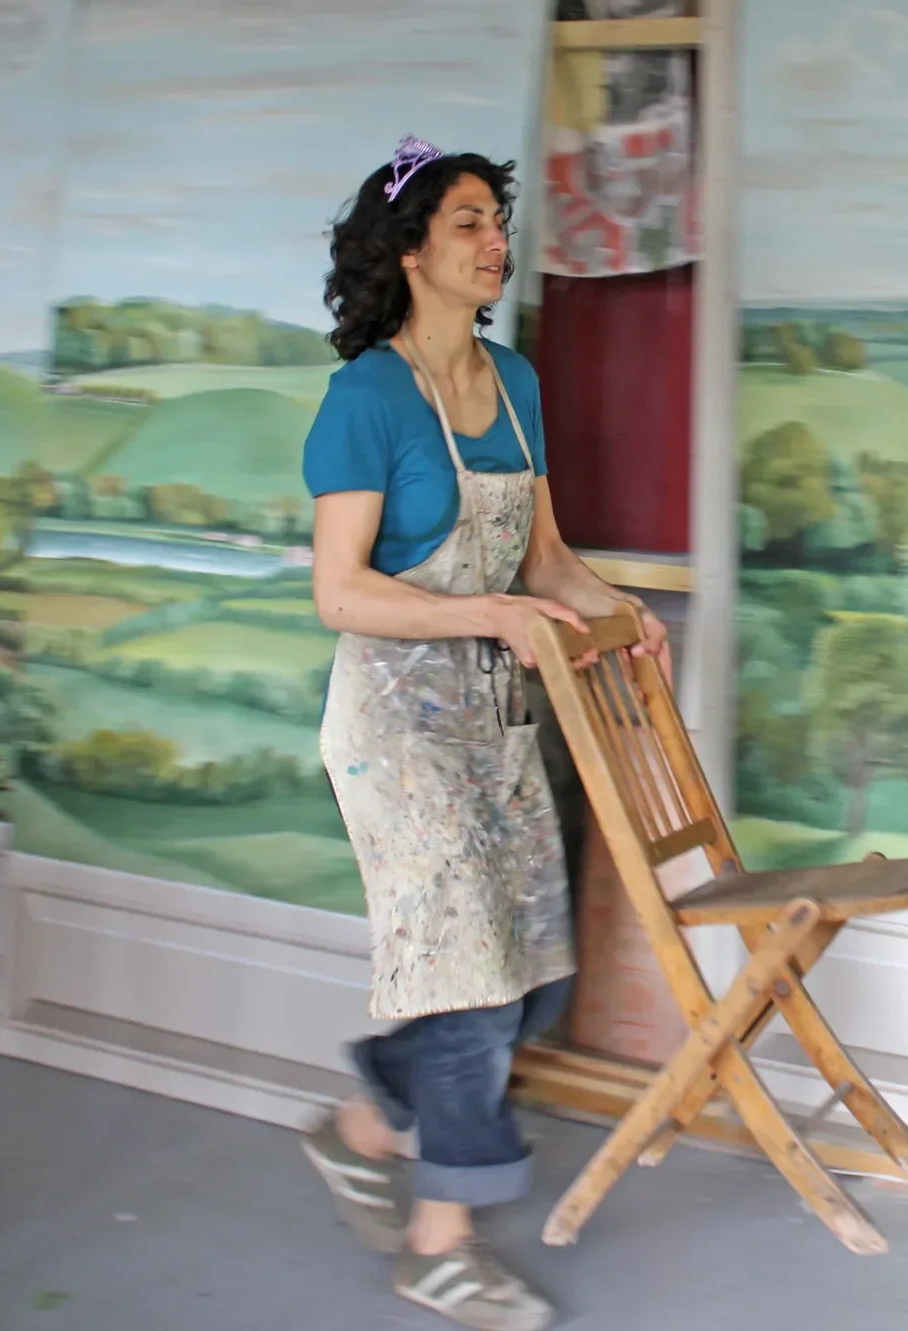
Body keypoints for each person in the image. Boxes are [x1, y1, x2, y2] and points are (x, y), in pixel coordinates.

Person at [297, 136, 668, 1331]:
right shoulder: (365, 396)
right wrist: (490, 611)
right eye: (466, 220)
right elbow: (340, 592)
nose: (492, 238)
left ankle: (361, 1124)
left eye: (495, 220)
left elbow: (544, 557)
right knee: (470, 984)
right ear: (408, 251)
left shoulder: (515, 382)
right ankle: (440, 1241)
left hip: (500, 720)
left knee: (535, 982)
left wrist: (619, 611)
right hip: (399, 731)